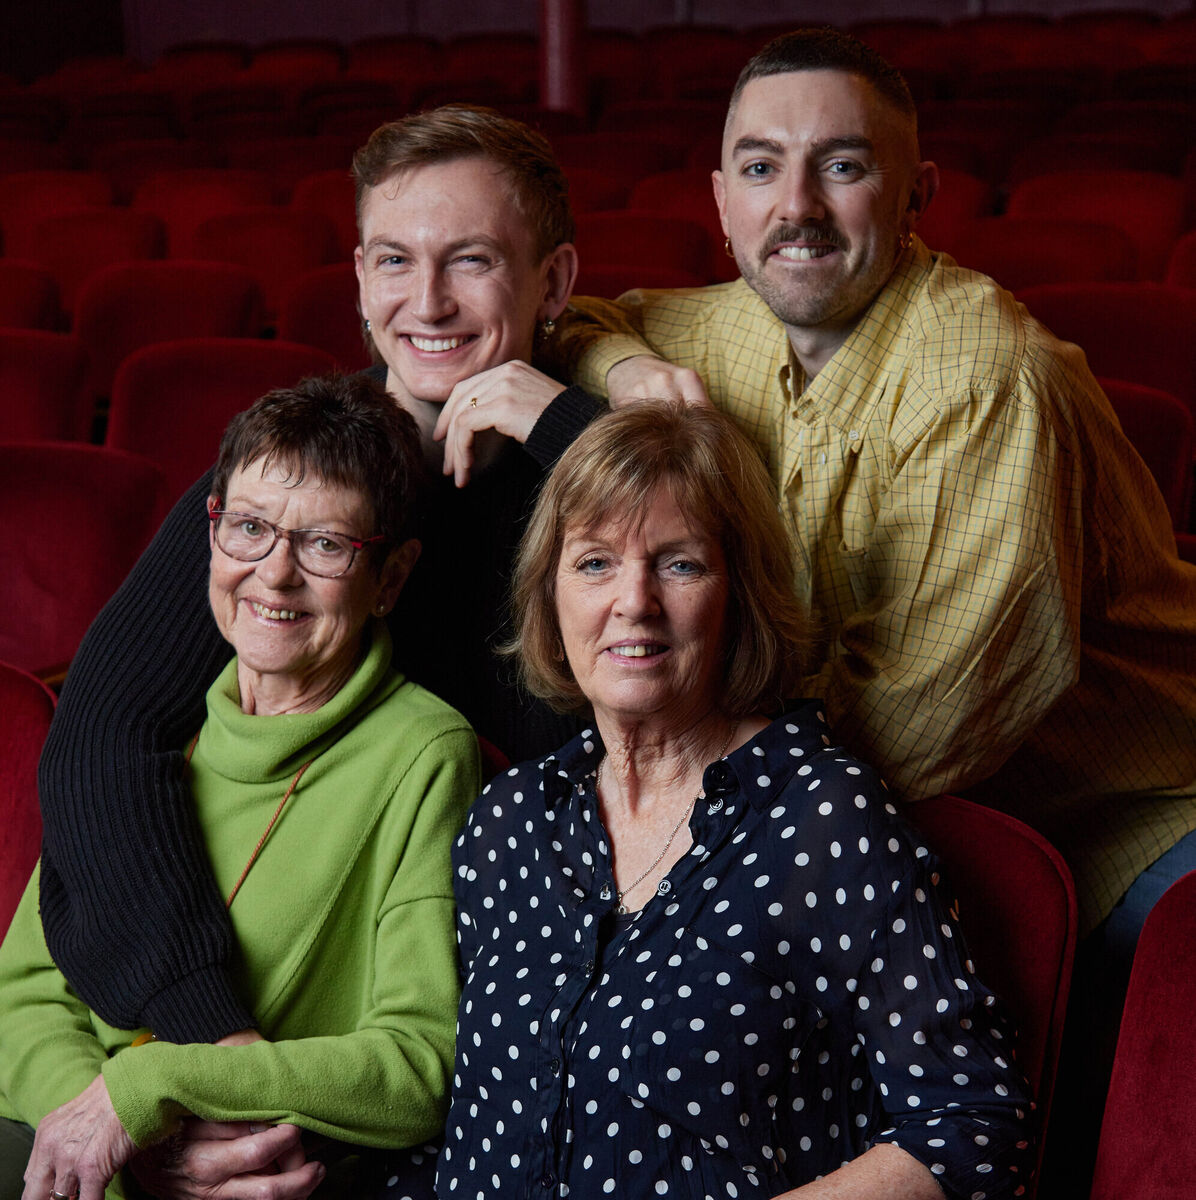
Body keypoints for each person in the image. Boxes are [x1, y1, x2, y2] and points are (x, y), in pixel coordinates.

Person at [549, 30, 1196, 1193]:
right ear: (719, 195)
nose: (793, 206)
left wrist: (677, 830)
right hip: (888, 821)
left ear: (916, 195)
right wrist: (625, 376)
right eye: (758, 167)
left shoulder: (988, 374)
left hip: (1124, 819)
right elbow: (584, 319)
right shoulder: (713, 330)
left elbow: (921, 727)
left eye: (840, 167)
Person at [36, 105, 599, 1062]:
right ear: (357, 278)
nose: (426, 303)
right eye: (393, 260)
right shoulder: (291, 475)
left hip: (523, 987)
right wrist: (212, 1036)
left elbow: (677, 738)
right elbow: (102, 736)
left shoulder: (601, 480)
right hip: (259, 1008)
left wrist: (574, 432)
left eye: (471, 261)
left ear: (554, 282)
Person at [430, 401, 1035, 1200]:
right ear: (550, 594)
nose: (634, 601)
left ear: (738, 597)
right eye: (595, 563)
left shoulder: (821, 816)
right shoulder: (509, 822)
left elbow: (975, 1125)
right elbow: (470, 1128)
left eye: (679, 564)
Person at [0, 374, 479, 1200]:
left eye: (326, 545)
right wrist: (100, 1139)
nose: (274, 575)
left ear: (390, 579)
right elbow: (27, 992)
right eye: (249, 529)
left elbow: (416, 1064)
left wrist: (146, 1097)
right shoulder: (150, 731)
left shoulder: (425, 752)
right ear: (211, 536)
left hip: (267, 1173)